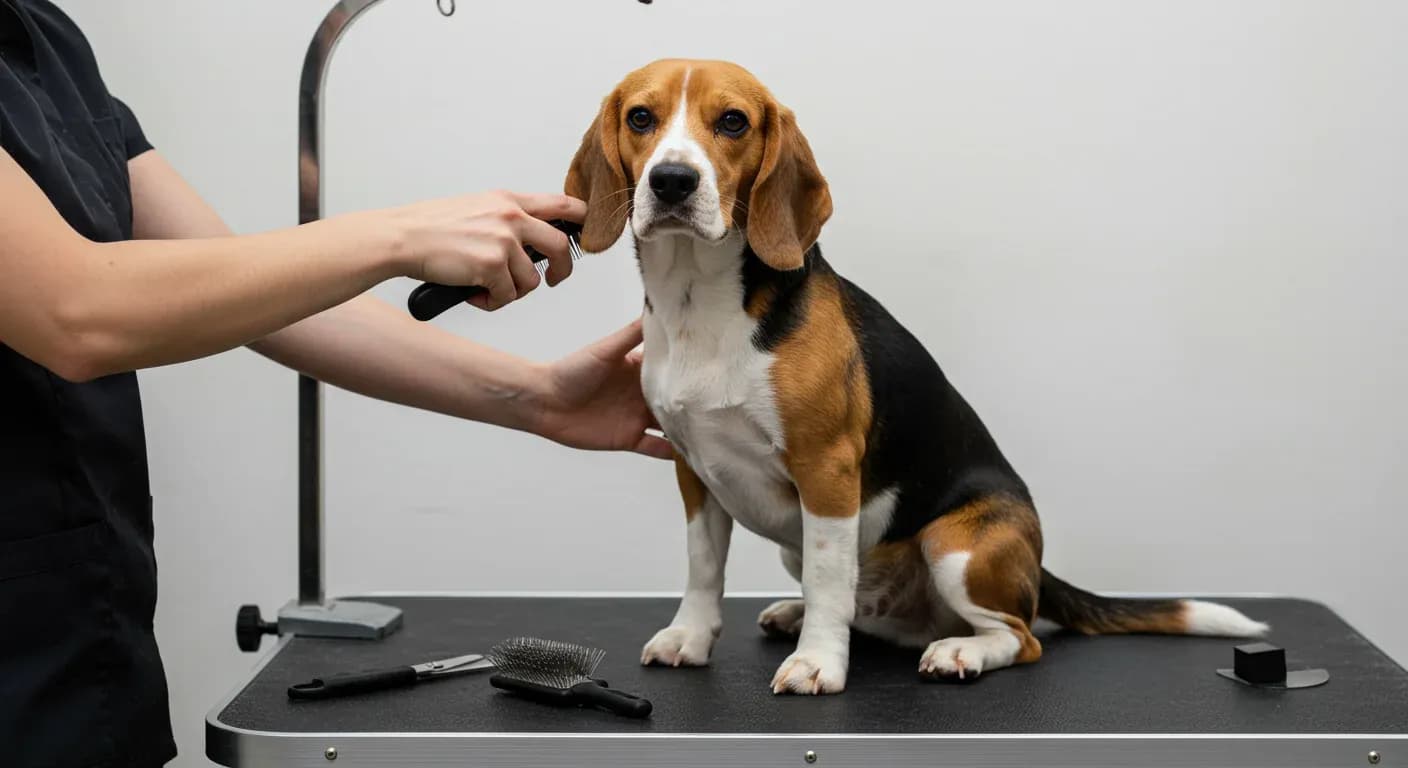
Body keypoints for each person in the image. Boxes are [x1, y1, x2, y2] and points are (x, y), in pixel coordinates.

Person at [0, 2, 668, 766]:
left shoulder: (44, 39)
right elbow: (77, 312)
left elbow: (245, 289)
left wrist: (538, 394)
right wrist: (402, 236)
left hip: (88, 650)